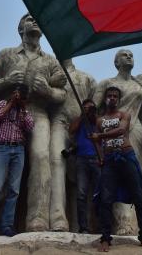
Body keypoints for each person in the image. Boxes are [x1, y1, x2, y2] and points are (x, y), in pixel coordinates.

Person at [0, 14, 67, 231]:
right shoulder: (6, 54)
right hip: (8, 113)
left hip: (37, 113)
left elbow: (62, 94)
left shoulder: (50, 61)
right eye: (29, 18)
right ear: (20, 28)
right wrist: (6, 81)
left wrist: (47, 90)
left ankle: (37, 217)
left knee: (41, 156)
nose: (34, 20)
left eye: (37, 18)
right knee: (1, 173)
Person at [93, 49, 142, 235]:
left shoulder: (139, 85)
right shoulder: (107, 83)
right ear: (116, 62)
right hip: (112, 130)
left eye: (131, 55)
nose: (129, 56)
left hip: (135, 130)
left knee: (137, 178)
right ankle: (123, 222)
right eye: (123, 55)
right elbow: (94, 109)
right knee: (114, 180)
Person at [0, 85, 34, 244]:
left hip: (19, 149)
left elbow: (30, 126)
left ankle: (7, 225)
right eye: (17, 94)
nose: (19, 97)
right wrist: (11, 103)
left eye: (22, 96)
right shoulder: (2, 103)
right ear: (13, 93)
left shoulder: (24, 111)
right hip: (2, 148)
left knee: (14, 189)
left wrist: (23, 107)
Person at [49, 59, 96, 231]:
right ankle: (58, 217)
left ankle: (86, 225)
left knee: (81, 182)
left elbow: (95, 110)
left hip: (83, 131)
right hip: (59, 123)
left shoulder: (86, 78)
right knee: (56, 162)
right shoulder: (51, 75)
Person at [67, 99, 100, 234]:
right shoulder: (79, 121)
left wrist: (93, 115)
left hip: (97, 159)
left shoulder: (98, 121)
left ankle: (100, 226)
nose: (88, 110)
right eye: (85, 107)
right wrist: (83, 115)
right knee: (81, 194)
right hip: (82, 160)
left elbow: (103, 129)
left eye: (91, 107)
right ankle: (83, 227)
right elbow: (71, 130)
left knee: (100, 194)